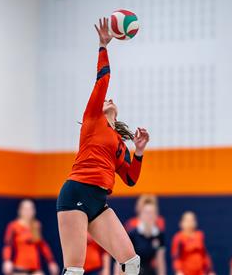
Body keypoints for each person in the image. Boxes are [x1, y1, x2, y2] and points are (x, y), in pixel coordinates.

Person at [56, 17, 150, 275]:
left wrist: (138, 152)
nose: (108, 98)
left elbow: (130, 179)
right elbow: (102, 80)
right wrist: (103, 46)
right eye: (105, 98)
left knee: (131, 263)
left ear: (117, 114)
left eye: (112, 100)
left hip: (98, 200)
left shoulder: (119, 143)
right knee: (75, 270)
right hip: (76, 192)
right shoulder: (92, 118)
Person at [2, 199, 60, 275]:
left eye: (31, 208)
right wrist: (7, 260)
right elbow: (8, 245)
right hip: (20, 267)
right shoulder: (13, 226)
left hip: (35, 268)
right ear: (20, 210)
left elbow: (42, 245)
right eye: (25, 209)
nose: (28, 211)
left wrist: (51, 262)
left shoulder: (36, 225)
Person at [126, 197, 166, 275]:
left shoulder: (159, 235)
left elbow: (160, 261)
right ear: (140, 214)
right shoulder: (132, 235)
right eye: (147, 213)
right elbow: (124, 261)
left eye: (152, 213)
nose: (149, 216)